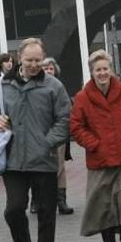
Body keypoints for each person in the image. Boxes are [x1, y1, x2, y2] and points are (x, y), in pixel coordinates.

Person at [0, 37, 71, 242]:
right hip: (14, 161)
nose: (33, 65)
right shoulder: (2, 84)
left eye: (38, 60)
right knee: (13, 210)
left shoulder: (54, 86)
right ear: (19, 58)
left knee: (46, 214)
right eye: (29, 60)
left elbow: (65, 118)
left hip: (44, 160)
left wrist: (48, 142)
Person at [70, 50, 121, 242]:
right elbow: (76, 126)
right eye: (98, 70)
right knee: (104, 210)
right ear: (92, 72)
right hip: (99, 162)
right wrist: (93, 144)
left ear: (111, 69)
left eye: (105, 69)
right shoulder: (82, 98)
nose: (102, 73)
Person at [37, 57, 73, 215]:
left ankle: (61, 201)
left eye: (50, 68)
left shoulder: (60, 87)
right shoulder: (34, 86)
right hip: (39, 134)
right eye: (45, 68)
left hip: (58, 133)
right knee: (39, 168)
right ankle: (38, 200)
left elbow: (66, 110)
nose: (48, 71)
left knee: (59, 167)